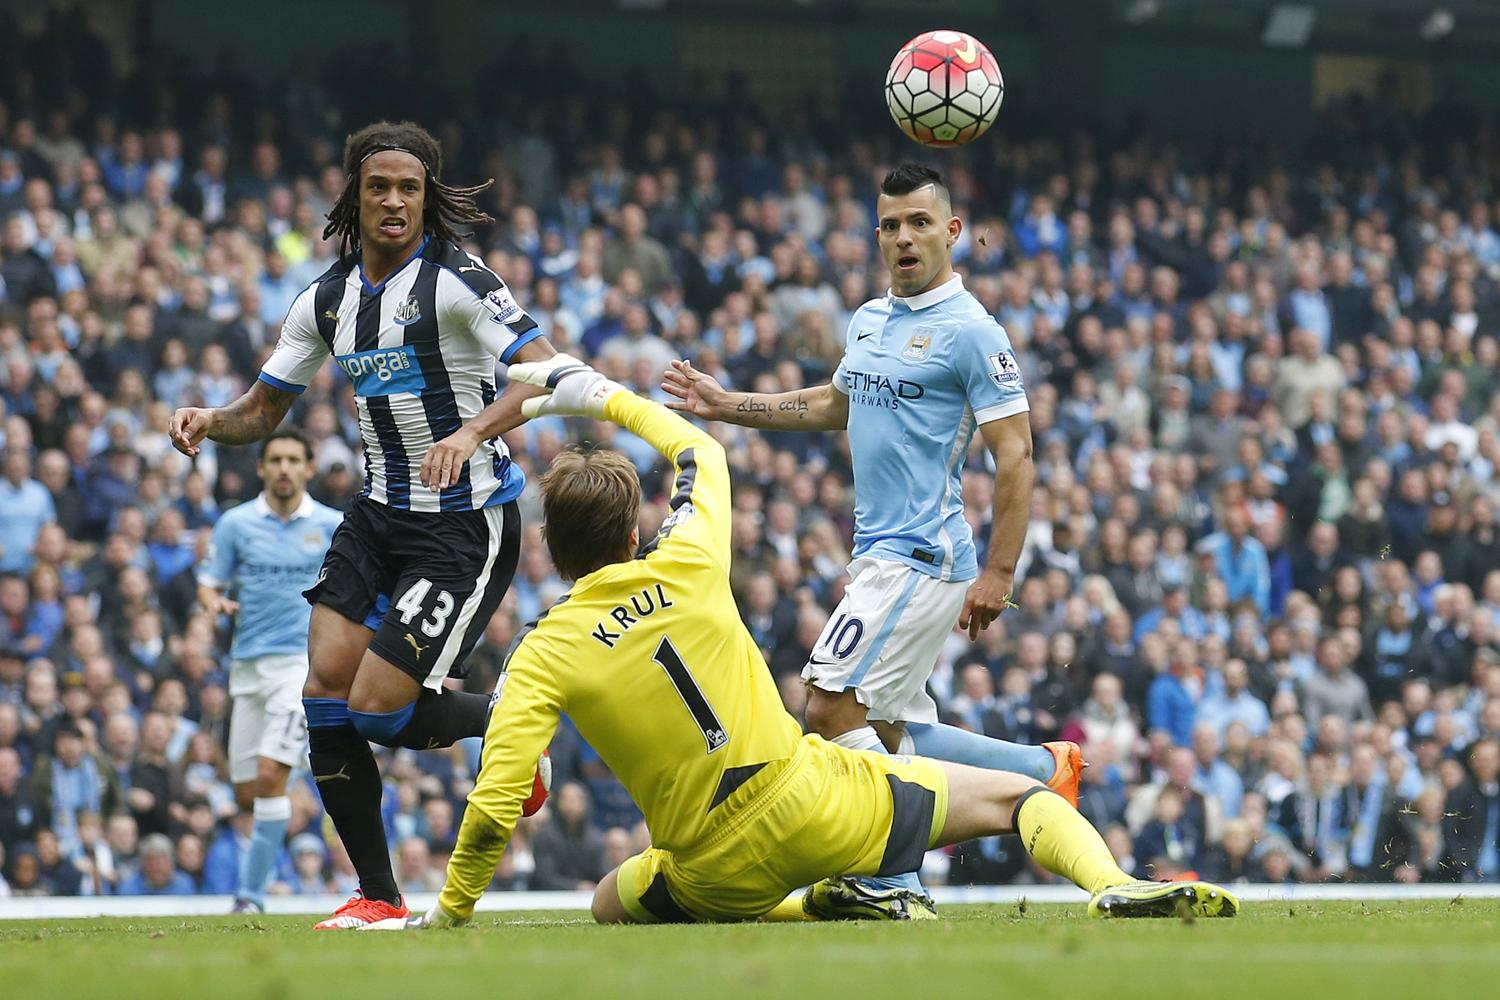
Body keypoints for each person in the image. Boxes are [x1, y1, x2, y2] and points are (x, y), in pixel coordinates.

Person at [370, 357, 1236, 929]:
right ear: (634, 534)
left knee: (608, 902)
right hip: (813, 799)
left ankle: (831, 903)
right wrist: (589, 390)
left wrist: (451, 914)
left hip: (709, 869)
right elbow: (698, 447)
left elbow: (494, 804)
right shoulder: (692, 558)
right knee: (1016, 800)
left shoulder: (541, 651)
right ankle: (1112, 884)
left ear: (550, 551)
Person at [169, 121, 555, 928]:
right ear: (354, 194)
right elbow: (265, 409)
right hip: (377, 518)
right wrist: (212, 419)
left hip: (463, 523)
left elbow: (544, 371)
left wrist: (470, 430)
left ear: (426, 199)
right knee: (325, 699)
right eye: (378, 186)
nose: (392, 201)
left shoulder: (458, 281)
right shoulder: (326, 300)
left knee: (380, 710)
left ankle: (511, 724)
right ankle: (378, 897)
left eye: (408, 188)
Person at [661, 164, 1078, 911]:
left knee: (827, 707)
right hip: (880, 557)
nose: (903, 238)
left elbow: (1015, 456)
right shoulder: (868, 319)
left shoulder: (974, 332)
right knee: (887, 729)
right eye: (890, 225)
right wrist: (729, 405)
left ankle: (891, 876)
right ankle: (1040, 773)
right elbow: (833, 402)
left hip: (923, 556)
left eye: (920, 223)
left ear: (952, 232)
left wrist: (1001, 574)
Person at [196, 428, 343, 913]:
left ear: (308, 467)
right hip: (248, 667)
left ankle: (250, 897)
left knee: (267, 777)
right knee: (246, 790)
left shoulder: (331, 525)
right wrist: (213, 601)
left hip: (300, 668)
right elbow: (209, 580)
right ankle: (296, 787)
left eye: (292, 460)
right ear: (261, 467)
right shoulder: (236, 524)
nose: (284, 468)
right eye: (275, 459)